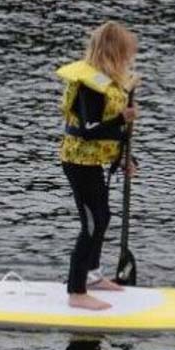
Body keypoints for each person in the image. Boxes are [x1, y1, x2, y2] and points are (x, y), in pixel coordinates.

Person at [55, 21, 139, 311]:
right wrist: (121, 120)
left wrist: (126, 159)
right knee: (92, 224)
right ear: (113, 52)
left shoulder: (108, 82)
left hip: (92, 161)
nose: (129, 59)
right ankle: (76, 291)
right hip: (78, 161)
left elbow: (113, 133)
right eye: (125, 53)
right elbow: (90, 129)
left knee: (102, 217)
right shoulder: (91, 85)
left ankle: (91, 276)